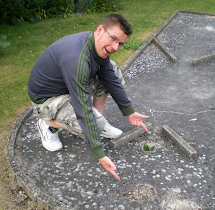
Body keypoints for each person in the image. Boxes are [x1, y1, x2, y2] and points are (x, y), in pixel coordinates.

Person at [28, 14, 149, 180]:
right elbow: (83, 108)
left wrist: (129, 111)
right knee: (89, 121)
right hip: (47, 100)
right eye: (113, 38)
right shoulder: (76, 58)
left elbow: (109, 78)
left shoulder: (96, 45)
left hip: (65, 86)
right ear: (100, 30)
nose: (115, 47)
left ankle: (97, 121)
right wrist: (99, 153)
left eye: (120, 43)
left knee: (112, 70)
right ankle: (48, 124)